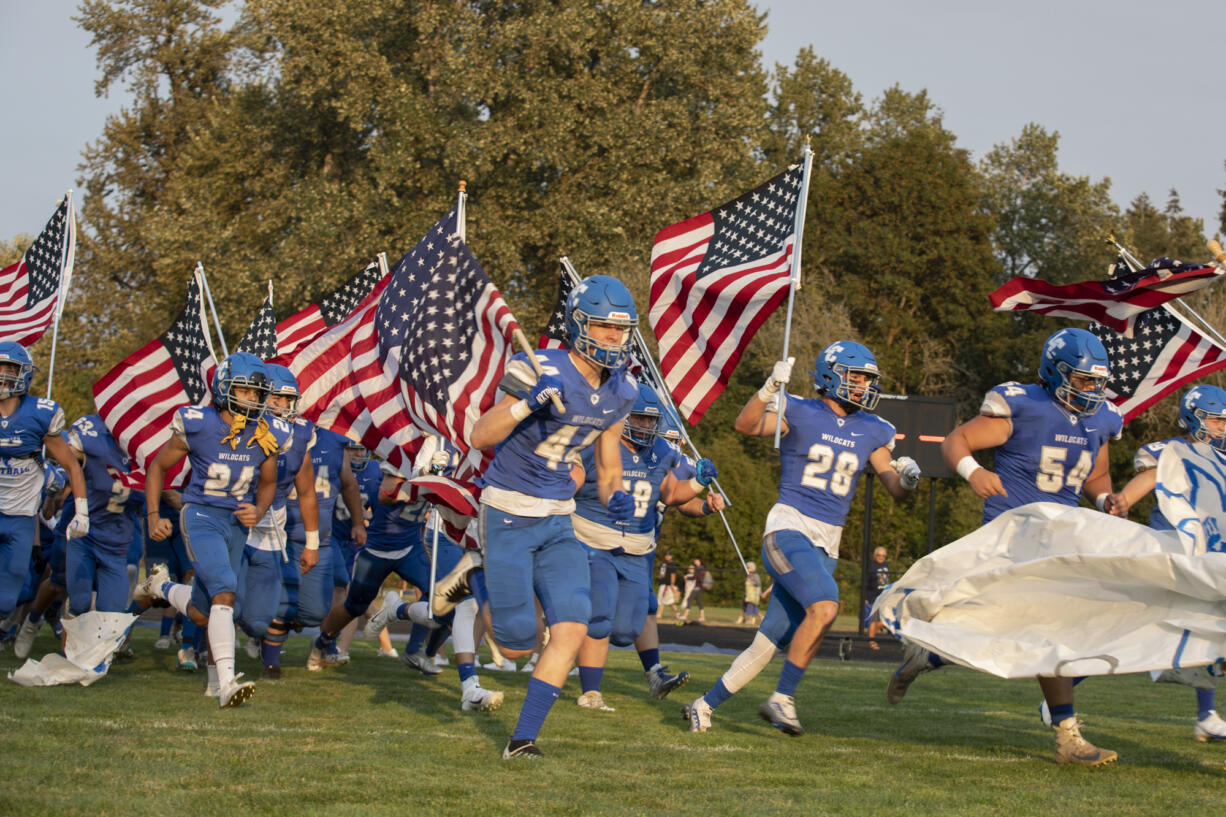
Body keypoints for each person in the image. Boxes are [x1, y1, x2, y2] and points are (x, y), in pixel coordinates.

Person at [886, 327, 1127, 765]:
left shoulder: (1101, 419)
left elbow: (1096, 476)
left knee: (1030, 632)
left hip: (1062, 537)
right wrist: (973, 472)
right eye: (1083, 380)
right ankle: (1067, 735)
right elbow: (956, 440)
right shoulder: (1023, 405)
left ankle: (928, 656)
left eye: (1096, 381)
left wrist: (1105, 498)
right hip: (1011, 534)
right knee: (1045, 630)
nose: (1092, 390)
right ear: (1055, 374)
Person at [686, 341, 919, 736]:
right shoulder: (800, 409)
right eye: (856, 376)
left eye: (867, 379)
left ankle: (702, 705)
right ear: (830, 376)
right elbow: (744, 425)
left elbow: (894, 487)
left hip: (827, 543)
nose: (863, 386)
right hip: (789, 527)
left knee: (769, 640)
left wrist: (909, 479)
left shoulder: (874, 428)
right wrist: (766, 391)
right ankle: (783, 698)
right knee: (827, 606)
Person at [465, 274, 639, 758]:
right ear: (578, 323)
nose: (613, 338)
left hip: (559, 516)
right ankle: (472, 580)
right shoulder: (535, 366)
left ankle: (523, 739)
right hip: (508, 511)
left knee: (572, 627)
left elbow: (608, 470)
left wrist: (616, 497)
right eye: (604, 327)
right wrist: (527, 402)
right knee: (517, 645)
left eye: (620, 330)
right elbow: (481, 435)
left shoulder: (623, 391)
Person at [135, 352, 292, 708]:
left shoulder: (267, 430)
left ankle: (161, 586)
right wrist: (154, 514)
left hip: (236, 520)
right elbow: (157, 468)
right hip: (202, 515)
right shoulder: (198, 423)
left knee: (203, 612)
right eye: (247, 391)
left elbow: (268, 482)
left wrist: (260, 508)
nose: (255, 399)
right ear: (224, 387)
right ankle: (226, 684)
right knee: (225, 589)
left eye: (258, 392)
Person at [570, 382, 717, 712]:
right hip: (595, 542)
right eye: (639, 419)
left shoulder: (661, 452)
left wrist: (699, 482)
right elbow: (570, 484)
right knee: (600, 617)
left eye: (651, 421)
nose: (646, 426)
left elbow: (671, 494)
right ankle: (591, 692)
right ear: (622, 417)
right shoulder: (597, 443)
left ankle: (582, 652)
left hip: (638, 550)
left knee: (627, 629)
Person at [1116, 384, 1226, 742]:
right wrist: (1123, 500)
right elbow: (1151, 477)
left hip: (1209, 557)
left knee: (1210, 630)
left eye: (1225, 422)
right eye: (1214, 421)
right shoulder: (1175, 451)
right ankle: (1063, 689)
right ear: (1193, 419)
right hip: (1173, 551)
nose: (1221, 428)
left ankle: (1207, 715)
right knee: (1133, 629)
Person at [0, 342, 88, 630]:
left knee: (6, 600)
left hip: (22, 518)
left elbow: (72, 466)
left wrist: (82, 511)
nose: (3, 375)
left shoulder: (38, 414)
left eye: (9, 369)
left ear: (23, 374)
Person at [864, 547, 890, 648]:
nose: (881, 557)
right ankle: (871, 641)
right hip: (873, 597)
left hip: (884, 597)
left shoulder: (885, 565)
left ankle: (870, 636)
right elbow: (865, 583)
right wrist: (865, 598)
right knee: (874, 620)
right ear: (874, 556)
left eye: (883, 555)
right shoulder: (871, 566)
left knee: (885, 621)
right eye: (878, 555)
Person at [735, 562, 763, 627]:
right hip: (748, 594)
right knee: (745, 605)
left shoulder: (755, 575)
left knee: (750, 606)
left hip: (753, 594)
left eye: (748, 568)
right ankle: (743, 617)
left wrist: (752, 582)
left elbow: (758, 584)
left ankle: (750, 619)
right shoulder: (749, 575)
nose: (747, 569)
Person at [656, 551, 682, 619]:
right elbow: (661, 574)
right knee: (668, 601)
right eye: (666, 555)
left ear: (671, 556)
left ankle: (659, 614)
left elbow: (673, 574)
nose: (667, 556)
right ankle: (678, 613)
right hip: (662, 583)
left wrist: (672, 584)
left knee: (663, 599)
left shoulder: (672, 564)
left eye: (669, 555)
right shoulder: (664, 564)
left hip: (667, 584)